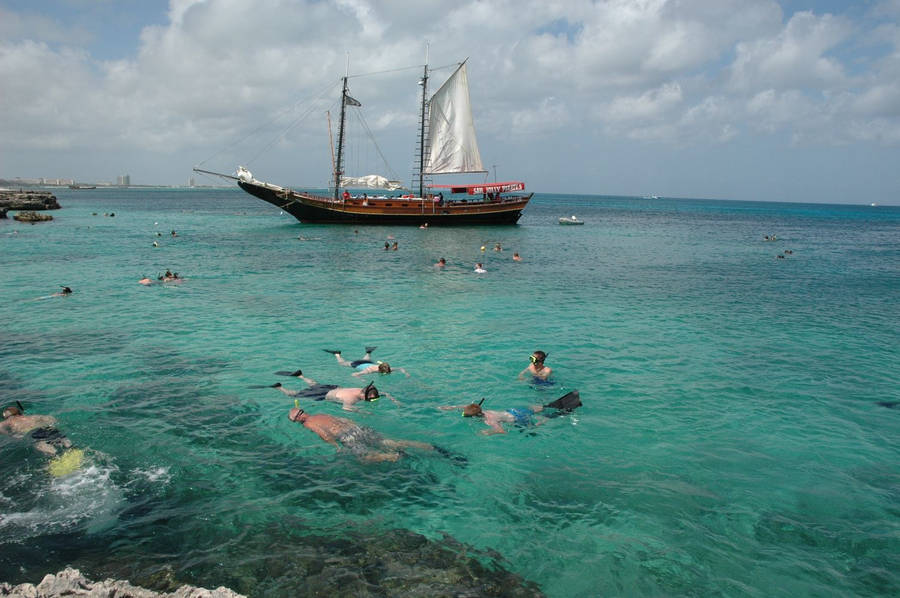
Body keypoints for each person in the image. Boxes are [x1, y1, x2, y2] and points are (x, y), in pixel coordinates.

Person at [287, 407, 438, 462]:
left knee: (363, 458)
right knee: (388, 442)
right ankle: (426, 447)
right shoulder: (321, 414)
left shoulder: (308, 424)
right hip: (358, 428)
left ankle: (394, 457)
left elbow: (324, 435)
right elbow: (344, 419)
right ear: (303, 411)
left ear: (297, 419)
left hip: (346, 437)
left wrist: (336, 447)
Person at [439, 391, 581, 435]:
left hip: (518, 419)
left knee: (539, 423)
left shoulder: (489, 420)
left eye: (465, 415)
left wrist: (489, 432)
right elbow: (467, 406)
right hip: (514, 410)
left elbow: (502, 431)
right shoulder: (479, 409)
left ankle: (561, 413)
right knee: (542, 407)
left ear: (476, 415)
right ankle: (550, 406)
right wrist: (451, 407)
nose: (463, 414)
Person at [270, 373, 397, 410]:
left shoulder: (364, 390)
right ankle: (279, 387)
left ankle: (301, 376)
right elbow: (346, 409)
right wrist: (362, 412)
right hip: (324, 394)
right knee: (294, 395)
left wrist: (391, 398)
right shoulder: (351, 399)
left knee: (315, 384)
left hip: (333, 388)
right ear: (363, 395)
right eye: (371, 399)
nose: (372, 401)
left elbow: (381, 394)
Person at [1, 403, 72, 457]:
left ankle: (56, 456)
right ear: (19, 413)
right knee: (62, 440)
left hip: (34, 433)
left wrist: (11, 435)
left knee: (51, 451)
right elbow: (50, 418)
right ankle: (69, 446)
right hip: (47, 428)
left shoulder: (9, 421)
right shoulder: (32, 417)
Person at [324, 347, 409, 377]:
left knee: (367, 360)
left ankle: (368, 351)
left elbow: (401, 368)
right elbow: (354, 374)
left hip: (367, 362)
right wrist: (361, 379)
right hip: (357, 364)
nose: (386, 373)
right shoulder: (370, 370)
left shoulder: (387, 369)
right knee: (342, 363)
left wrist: (406, 373)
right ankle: (337, 354)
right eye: (384, 373)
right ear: (380, 370)